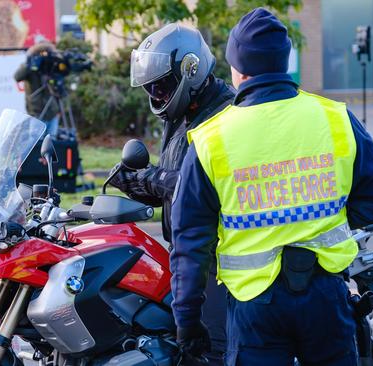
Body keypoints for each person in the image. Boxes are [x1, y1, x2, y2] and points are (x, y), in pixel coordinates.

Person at [170, 8, 373, 365]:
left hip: (254, 307)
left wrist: (187, 321)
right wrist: (328, 220)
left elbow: (190, 243)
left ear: (238, 68)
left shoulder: (212, 139)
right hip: (325, 295)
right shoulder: (335, 118)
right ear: (283, 61)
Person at [109, 24, 235, 365]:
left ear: (190, 70)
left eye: (161, 85)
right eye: (151, 87)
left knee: (210, 353)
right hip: (186, 252)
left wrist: (154, 178)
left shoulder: (225, 114)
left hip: (220, 262)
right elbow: (176, 189)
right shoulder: (181, 115)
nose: (157, 94)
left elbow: (208, 187)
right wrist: (136, 183)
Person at [14, 42, 61, 138]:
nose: (43, 57)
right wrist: (30, 62)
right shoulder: (30, 66)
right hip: (36, 112)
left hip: (52, 111)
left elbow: (58, 87)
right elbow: (17, 77)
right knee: (36, 141)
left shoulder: (50, 66)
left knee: (51, 142)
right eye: (41, 53)